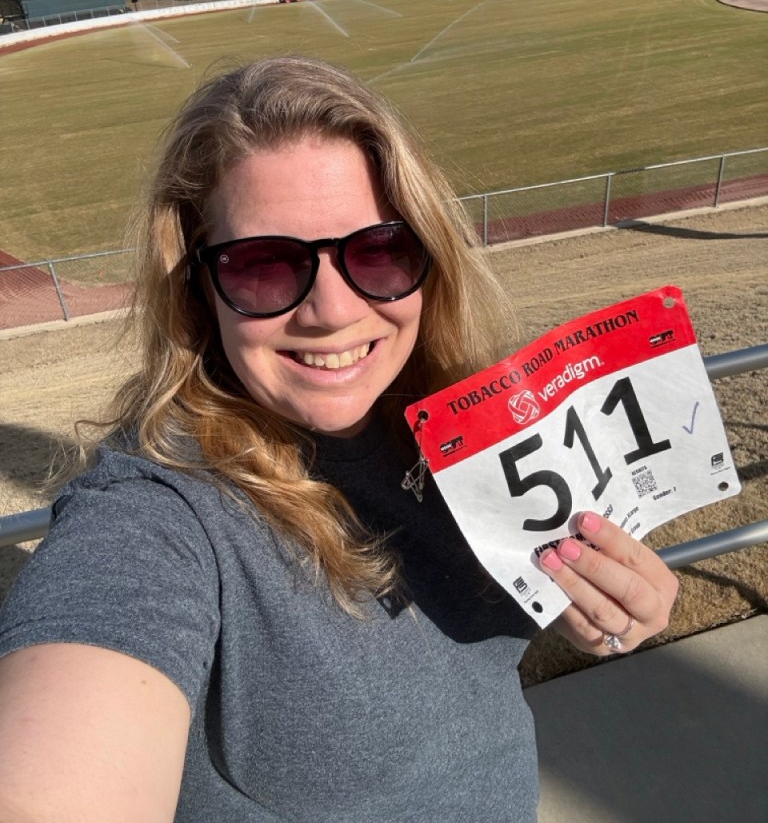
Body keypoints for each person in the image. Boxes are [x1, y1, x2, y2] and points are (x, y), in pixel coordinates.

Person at [0, 55, 678, 821]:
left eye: (378, 250)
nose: (331, 309)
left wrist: (610, 616)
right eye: (263, 267)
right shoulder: (157, 518)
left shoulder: (463, 428)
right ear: (196, 289)